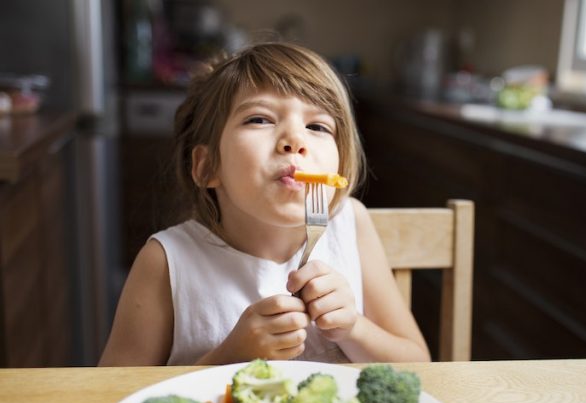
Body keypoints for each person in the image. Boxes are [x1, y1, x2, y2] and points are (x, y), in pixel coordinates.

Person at [99, 42, 430, 366]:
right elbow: (109, 395)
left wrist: (354, 329)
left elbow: (419, 363)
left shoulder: (349, 223)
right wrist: (228, 357)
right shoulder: (166, 262)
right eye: (260, 119)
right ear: (207, 166)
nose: (295, 141)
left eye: (317, 126)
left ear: (340, 168)